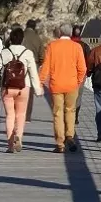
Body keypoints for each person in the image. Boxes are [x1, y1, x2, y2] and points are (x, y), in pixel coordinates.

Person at [39, 23, 87, 154]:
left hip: (56, 85)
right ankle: (70, 135)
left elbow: (46, 67)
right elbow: (82, 69)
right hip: (72, 84)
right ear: (70, 33)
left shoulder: (52, 46)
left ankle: (60, 144)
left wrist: (40, 82)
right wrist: (77, 82)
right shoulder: (77, 47)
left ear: (59, 33)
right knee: (70, 111)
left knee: (57, 113)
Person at [0, 27, 42, 153]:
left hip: (7, 88)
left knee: (10, 115)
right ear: (22, 39)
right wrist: (37, 89)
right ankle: (18, 137)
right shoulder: (27, 53)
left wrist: (0, 83)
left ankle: (10, 145)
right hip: (23, 87)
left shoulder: (4, 52)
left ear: (11, 39)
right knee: (21, 115)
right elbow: (33, 74)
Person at [21, 20, 47, 123]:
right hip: (34, 65)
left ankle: (19, 112)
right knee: (30, 92)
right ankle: (27, 116)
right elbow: (42, 55)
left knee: (19, 87)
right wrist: (38, 64)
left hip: (20, 64)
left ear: (26, 26)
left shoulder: (20, 35)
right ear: (34, 27)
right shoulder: (38, 38)